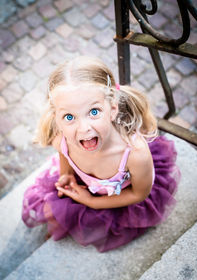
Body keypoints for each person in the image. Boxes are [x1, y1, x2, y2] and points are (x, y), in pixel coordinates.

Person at [22, 56, 180, 252]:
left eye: (94, 112)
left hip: (118, 197)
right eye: (69, 117)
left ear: (112, 109)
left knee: (102, 226)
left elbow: (140, 193)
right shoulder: (60, 137)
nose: (84, 128)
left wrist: (92, 202)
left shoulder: (135, 154)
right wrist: (66, 174)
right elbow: (64, 152)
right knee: (56, 211)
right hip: (84, 187)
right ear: (57, 118)